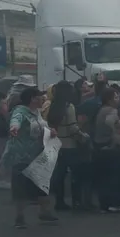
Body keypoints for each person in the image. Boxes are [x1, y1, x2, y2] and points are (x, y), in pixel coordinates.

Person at [6, 87, 58, 228]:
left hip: (37, 154)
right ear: (32, 99)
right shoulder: (20, 111)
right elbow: (15, 121)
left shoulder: (37, 113)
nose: (43, 99)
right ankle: (19, 217)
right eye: (40, 96)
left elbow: (41, 127)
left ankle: (44, 211)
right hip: (22, 156)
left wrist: (49, 131)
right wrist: (14, 128)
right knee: (21, 187)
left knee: (41, 184)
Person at [47, 81, 85, 211]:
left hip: (57, 144)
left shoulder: (53, 105)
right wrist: (83, 136)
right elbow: (72, 128)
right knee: (76, 175)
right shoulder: (69, 107)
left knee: (60, 174)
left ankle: (59, 201)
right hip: (70, 145)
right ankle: (77, 202)